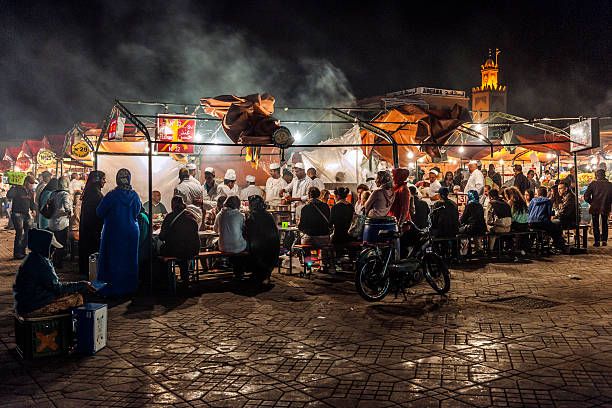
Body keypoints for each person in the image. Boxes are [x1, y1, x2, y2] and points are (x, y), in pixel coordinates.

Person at [13, 228, 93, 317]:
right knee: (77, 298)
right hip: (32, 307)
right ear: (44, 246)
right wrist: (82, 284)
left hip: (24, 304)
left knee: (68, 293)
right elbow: (57, 288)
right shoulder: (42, 263)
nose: (54, 250)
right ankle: (65, 328)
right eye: (52, 246)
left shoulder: (32, 258)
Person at [96, 169, 141, 296]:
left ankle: (113, 288)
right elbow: (137, 211)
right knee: (130, 260)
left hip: (114, 232)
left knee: (113, 260)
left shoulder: (111, 195)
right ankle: (129, 287)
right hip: (132, 232)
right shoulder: (135, 195)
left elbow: (99, 212)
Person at [159, 196, 200, 284]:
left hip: (176, 250)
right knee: (183, 252)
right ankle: (185, 277)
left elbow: (162, 236)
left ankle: (168, 277)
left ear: (172, 205)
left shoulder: (169, 217)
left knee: (161, 251)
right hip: (193, 249)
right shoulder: (191, 215)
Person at [244, 195, 280, 283]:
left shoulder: (252, 216)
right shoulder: (269, 215)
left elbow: (248, 231)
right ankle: (264, 274)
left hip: (260, 248)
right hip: (273, 248)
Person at [298, 187, 333, 273]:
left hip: (312, 239)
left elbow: (301, 226)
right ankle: (324, 265)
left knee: (304, 244)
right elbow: (329, 222)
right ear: (318, 195)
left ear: (309, 195)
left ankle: (308, 267)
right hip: (325, 238)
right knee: (324, 246)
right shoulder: (326, 206)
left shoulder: (305, 208)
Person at [78, 171, 106, 276]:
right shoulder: (95, 193)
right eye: (103, 179)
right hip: (93, 228)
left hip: (88, 227)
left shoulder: (91, 191)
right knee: (92, 251)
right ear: (97, 180)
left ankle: (86, 271)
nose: (105, 181)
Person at [528, 186, 567, 252]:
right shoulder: (548, 201)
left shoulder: (532, 201)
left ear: (538, 194)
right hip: (543, 222)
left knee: (538, 231)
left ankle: (531, 246)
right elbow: (549, 214)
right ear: (546, 194)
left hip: (531, 223)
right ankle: (557, 244)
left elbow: (529, 211)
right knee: (556, 229)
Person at [7, 175, 36, 259]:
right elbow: (9, 195)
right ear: (26, 182)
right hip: (17, 214)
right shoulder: (17, 189)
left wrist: (33, 209)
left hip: (26, 214)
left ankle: (22, 252)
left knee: (27, 233)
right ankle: (17, 253)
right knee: (19, 233)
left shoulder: (30, 191)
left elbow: (31, 202)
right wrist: (13, 186)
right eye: (31, 183)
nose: (32, 185)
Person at [48, 177, 73, 268]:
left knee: (53, 243)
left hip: (52, 222)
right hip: (61, 223)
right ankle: (57, 263)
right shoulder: (65, 194)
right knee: (61, 243)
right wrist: (69, 212)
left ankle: (50, 261)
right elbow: (67, 206)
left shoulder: (53, 193)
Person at [584, 169, 612, 246]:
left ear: (597, 176)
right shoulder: (610, 184)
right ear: (604, 175)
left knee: (595, 224)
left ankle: (596, 241)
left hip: (595, 206)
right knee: (604, 223)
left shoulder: (593, 184)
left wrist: (592, 202)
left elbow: (586, 196)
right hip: (605, 206)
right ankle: (604, 240)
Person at [505, 186, 529, 253]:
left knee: (504, 230)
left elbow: (510, 215)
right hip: (525, 224)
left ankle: (509, 247)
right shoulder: (523, 201)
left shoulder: (511, 202)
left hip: (517, 224)